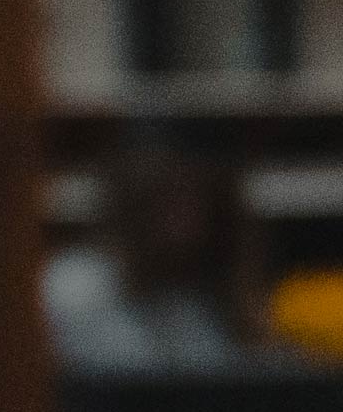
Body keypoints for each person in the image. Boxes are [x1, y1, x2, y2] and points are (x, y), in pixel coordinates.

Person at [42, 146, 248, 366]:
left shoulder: (194, 305)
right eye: (172, 205)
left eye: (197, 207)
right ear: (136, 206)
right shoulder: (74, 286)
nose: (191, 227)